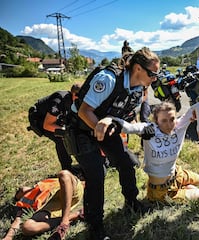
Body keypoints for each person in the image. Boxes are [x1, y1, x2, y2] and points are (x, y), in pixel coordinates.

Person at [71, 47, 160, 239]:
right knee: (96, 173)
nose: (155, 78)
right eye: (152, 74)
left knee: (126, 163)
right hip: (82, 128)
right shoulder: (108, 79)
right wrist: (99, 127)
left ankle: (131, 202)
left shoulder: (138, 88)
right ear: (137, 69)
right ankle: (94, 226)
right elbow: (84, 111)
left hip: (106, 127)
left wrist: (140, 130)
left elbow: (127, 116)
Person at [95, 101, 199, 203]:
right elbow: (128, 127)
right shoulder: (149, 130)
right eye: (164, 121)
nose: (169, 124)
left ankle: (184, 186)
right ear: (156, 121)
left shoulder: (178, 125)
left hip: (177, 174)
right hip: (160, 189)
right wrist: (110, 119)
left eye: (172, 119)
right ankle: (175, 192)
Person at [1, 170, 84, 240]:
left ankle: (64, 221)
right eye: (19, 193)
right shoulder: (24, 201)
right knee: (27, 228)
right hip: (51, 206)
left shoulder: (43, 183)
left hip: (68, 188)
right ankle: (75, 215)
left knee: (64, 174)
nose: (22, 189)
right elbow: (17, 220)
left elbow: (70, 179)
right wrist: (8, 237)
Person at [28, 84, 82, 172]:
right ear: (74, 95)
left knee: (74, 134)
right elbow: (48, 125)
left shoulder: (75, 101)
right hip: (40, 119)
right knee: (62, 138)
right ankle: (67, 169)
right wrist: (66, 131)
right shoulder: (59, 100)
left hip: (56, 118)